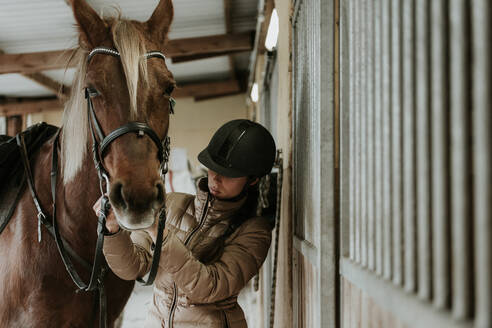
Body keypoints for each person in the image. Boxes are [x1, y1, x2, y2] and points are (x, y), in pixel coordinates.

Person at [95, 119, 276, 328]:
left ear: (252, 180)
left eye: (229, 175)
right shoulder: (171, 203)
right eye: (212, 168)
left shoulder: (255, 232)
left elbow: (209, 287)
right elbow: (132, 268)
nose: (216, 179)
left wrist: (158, 232)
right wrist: (113, 229)